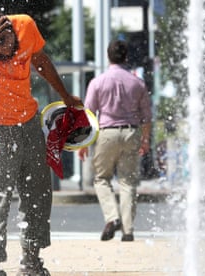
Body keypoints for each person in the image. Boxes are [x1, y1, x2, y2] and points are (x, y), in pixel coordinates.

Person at [0, 12, 82, 276]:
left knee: (38, 194)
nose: (5, 53)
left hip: (28, 123)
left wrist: (65, 96)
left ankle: (31, 262)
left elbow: (41, 61)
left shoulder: (25, 26)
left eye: (8, 45)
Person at [78, 40, 152, 242]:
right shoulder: (137, 83)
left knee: (102, 179)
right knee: (128, 181)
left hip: (107, 133)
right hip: (131, 132)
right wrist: (145, 140)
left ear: (108, 57)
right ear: (126, 57)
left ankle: (113, 217)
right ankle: (128, 231)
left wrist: (84, 143)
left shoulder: (98, 82)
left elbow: (89, 114)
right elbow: (146, 116)